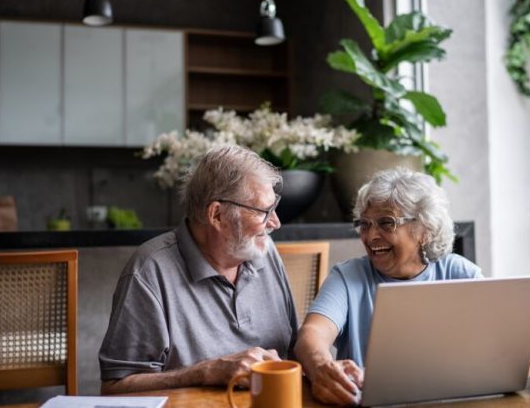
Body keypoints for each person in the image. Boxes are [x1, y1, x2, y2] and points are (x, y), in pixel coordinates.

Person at [99, 145, 298, 394]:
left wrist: (323, 364)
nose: (275, 223)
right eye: (263, 211)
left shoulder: (266, 252)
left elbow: (294, 349)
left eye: (274, 206)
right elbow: (114, 388)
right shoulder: (149, 271)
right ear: (217, 215)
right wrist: (205, 372)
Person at [294, 167, 483, 405]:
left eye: (386, 223)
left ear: (425, 230)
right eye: (364, 224)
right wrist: (321, 366)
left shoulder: (460, 273)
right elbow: (312, 334)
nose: (371, 236)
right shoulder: (348, 277)